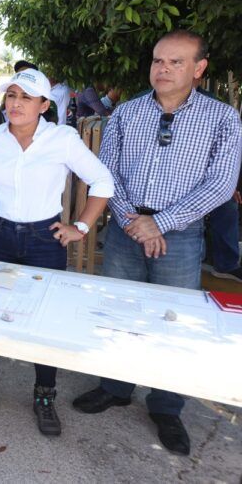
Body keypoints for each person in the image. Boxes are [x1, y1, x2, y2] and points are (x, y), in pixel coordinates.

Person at [73, 30, 242, 456]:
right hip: (127, 230)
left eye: (175, 62)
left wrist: (161, 223)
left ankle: (166, 406)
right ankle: (115, 386)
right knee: (119, 310)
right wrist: (135, 222)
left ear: (199, 69)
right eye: (158, 61)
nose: (162, 69)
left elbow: (221, 185)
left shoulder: (222, 118)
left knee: (171, 321)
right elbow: (106, 172)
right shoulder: (127, 113)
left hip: (180, 236)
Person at [0, 69, 114, 435]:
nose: (15, 103)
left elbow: (103, 181)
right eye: (11, 96)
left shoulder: (62, 139)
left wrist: (81, 227)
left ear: (43, 105)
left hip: (44, 238)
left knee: (44, 317)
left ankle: (44, 394)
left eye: (25, 97)